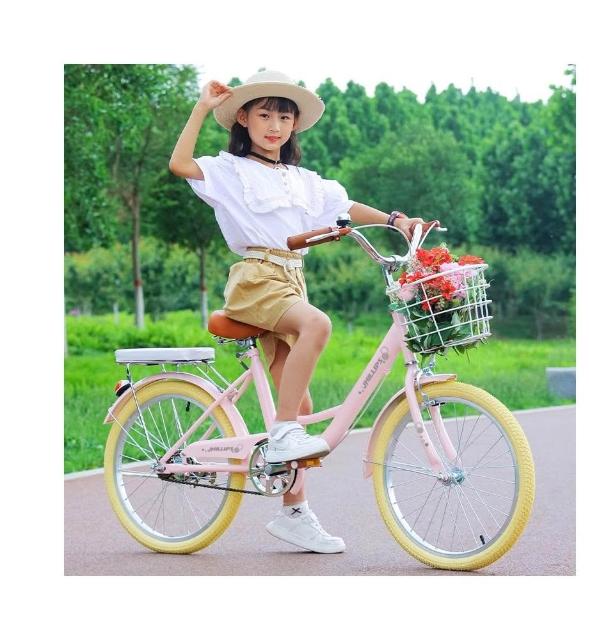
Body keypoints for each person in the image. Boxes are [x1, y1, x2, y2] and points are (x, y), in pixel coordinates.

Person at [169, 69, 436, 554]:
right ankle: (282, 432)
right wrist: (202, 107)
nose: (274, 126)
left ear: (294, 125)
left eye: (284, 117)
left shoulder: (302, 180)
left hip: (292, 279)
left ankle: (293, 513)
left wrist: (396, 220)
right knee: (317, 324)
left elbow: (345, 205)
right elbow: (180, 164)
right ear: (244, 119)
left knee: (304, 405)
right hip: (256, 279)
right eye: (264, 115)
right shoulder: (230, 170)